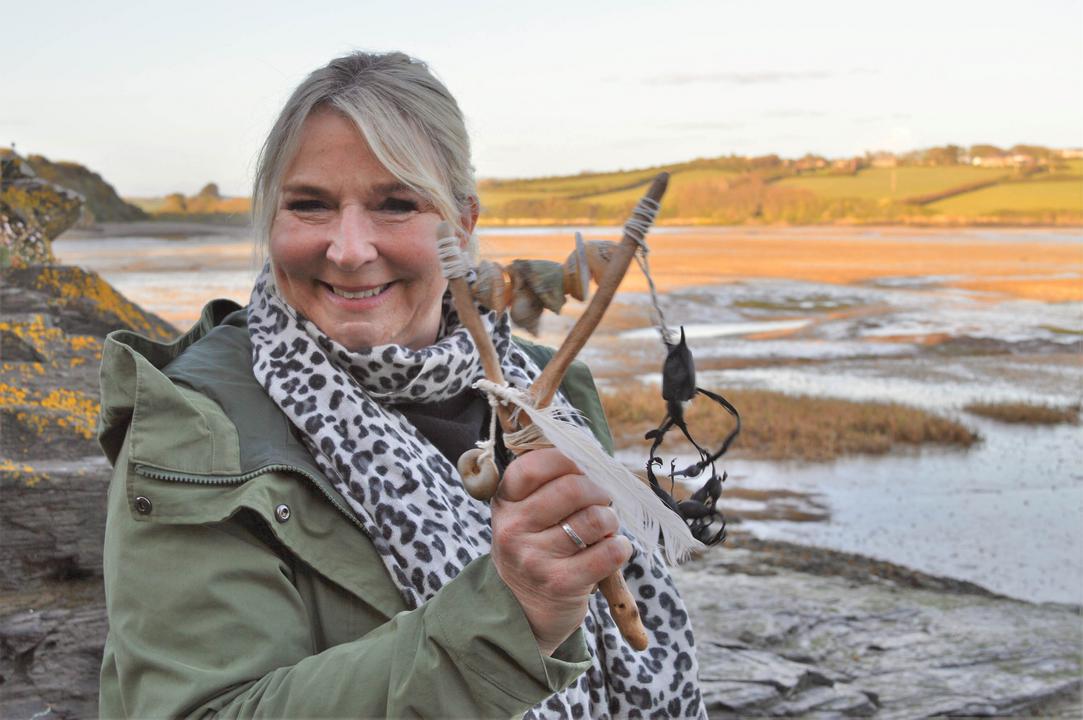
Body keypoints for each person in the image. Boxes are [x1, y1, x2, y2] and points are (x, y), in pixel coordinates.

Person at [98, 51, 706, 719]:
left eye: (394, 204)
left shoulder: (549, 393)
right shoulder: (195, 430)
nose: (349, 248)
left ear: (463, 223)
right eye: (310, 205)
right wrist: (509, 621)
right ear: (272, 219)